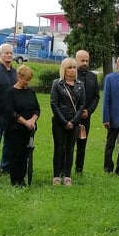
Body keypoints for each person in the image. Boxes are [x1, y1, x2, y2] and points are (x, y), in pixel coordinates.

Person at [50, 57, 85, 186]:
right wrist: (64, 122)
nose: (72, 70)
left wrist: (74, 121)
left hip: (74, 122)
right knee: (59, 148)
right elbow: (54, 104)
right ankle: (56, 176)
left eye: (74, 67)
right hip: (59, 121)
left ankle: (67, 176)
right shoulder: (57, 84)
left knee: (70, 149)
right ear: (63, 69)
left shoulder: (80, 85)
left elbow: (82, 105)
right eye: (69, 67)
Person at [5, 65, 41, 187]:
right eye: (26, 80)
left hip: (29, 130)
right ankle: (15, 180)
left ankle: (22, 178)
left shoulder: (31, 92)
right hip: (15, 129)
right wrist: (25, 122)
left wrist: (32, 121)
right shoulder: (10, 92)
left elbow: (37, 109)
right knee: (16, 154)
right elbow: (11, 112)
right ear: (19, 77)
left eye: (29, 80)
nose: (28, 82)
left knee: (26, 154)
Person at [0, 43, 17, 174]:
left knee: (9, 140)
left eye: (11, 53)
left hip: (12, 114)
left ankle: (5, 165)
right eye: (6, 53)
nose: (9, 55)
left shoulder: (15, 73)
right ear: (0, 54)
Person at [74, 49, 100, 174]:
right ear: (76, 60)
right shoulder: (71, 75)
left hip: (86, 117)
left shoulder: (93, 77)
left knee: (82, 145)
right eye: (82, 60)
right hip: (71, 116)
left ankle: (79, 170)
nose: (85, 63)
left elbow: (96, 97)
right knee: (68, 145)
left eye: (87, 61)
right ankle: (64, 170)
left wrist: (88, 111)